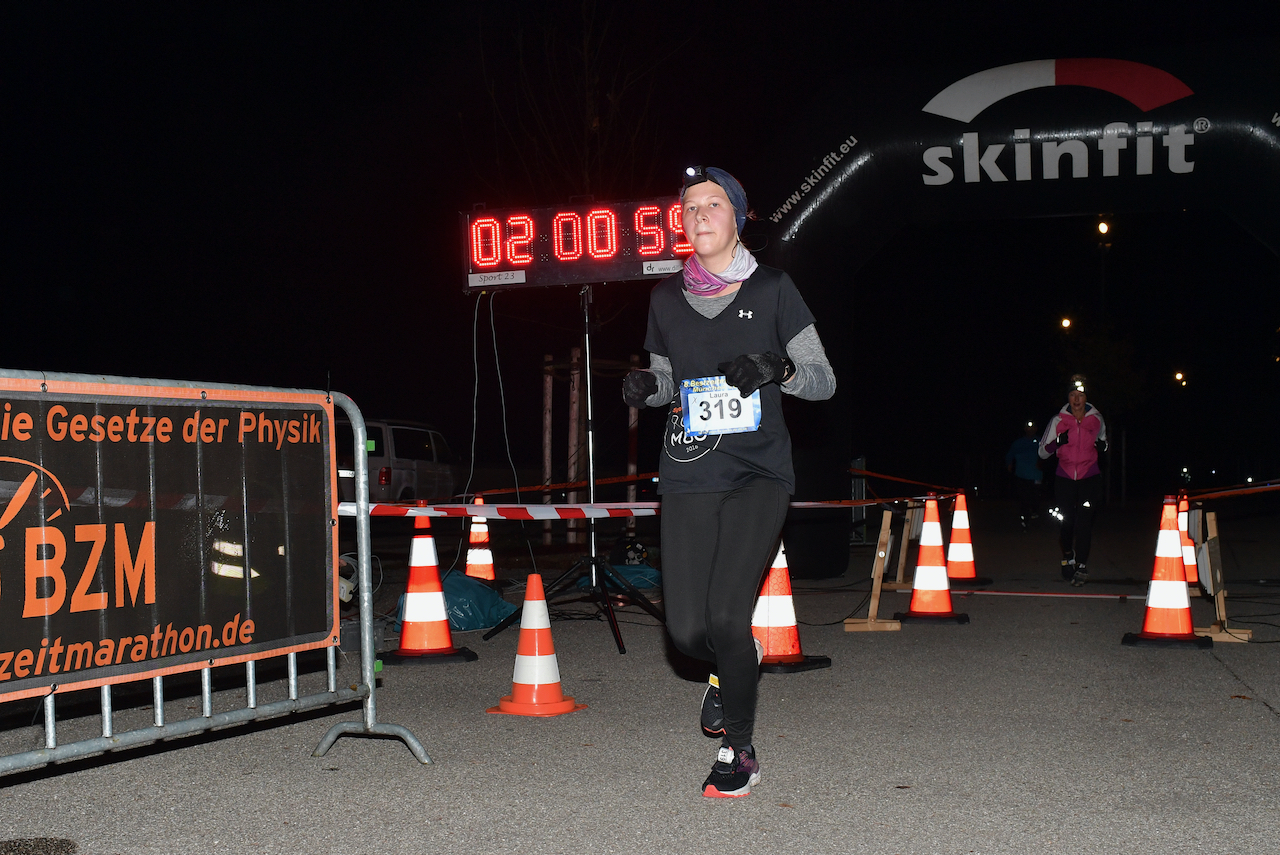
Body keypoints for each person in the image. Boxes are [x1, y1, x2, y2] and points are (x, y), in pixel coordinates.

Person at [621, 165, 835, 798]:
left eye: (713, 204)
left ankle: (739, 751)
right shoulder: (663, 299)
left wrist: (777, 367)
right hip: (689, 472)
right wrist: (647, 388)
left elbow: (823, 381)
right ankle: (727, 669)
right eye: (689, 207)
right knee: (688, 634)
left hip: (757, 475)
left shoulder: (773, 289)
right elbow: (667, 381)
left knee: (724, 616)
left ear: (738, 218)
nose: (698, 215)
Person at [1039, 374, 1107, 586]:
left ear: (1086, 397)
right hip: (1065, 477)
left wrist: (1103, 447)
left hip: (1089, 476)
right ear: (1067, 398)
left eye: (1080, 395)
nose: (1076, 399)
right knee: (1067, 522)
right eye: (1072, 395)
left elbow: (1103, 441)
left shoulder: (1096, 419)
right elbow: (1042, 453)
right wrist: (1058, 442)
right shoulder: (1058, 420)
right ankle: (1068, 555)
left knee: (1085, 522)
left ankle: (1082, 566)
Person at [1005, 421, 1043, 530]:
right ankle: (1025, 520)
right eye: (1028, 428)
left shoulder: (1040, 441)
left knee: (1035, 496)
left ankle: (1034, 511)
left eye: (1032, 428)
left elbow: (1047, 454)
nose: (1030, 430)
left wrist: (1043, 462)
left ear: (1036, 429)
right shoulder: (1018, 442)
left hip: (1036, 475)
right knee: (1024, 497)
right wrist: (1009, 464)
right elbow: (1010, 454)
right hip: (1021, 475)